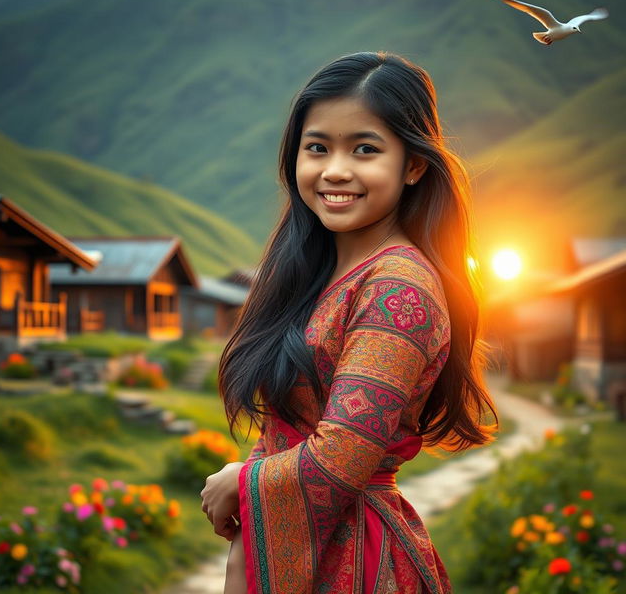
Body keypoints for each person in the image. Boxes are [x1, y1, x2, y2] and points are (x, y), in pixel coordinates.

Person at [199, 50, 498, 594]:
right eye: (317, 148)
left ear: (412, 165)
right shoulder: (318, 274)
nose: (335, 170)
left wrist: (242, 482)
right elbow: (292, 421)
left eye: (365, 149)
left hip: (357, 564)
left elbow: (344, 451)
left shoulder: (397, 289)